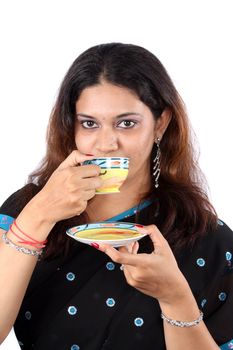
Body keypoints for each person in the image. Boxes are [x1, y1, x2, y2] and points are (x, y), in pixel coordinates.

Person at [0, 43, 232, 350]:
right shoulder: (27, 209)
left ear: (160, 124)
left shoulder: (207, 237)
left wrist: (176, 299)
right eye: (89, 123)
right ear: (72, 126)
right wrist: (38, 217)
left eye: (126, 123)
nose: (106, 143)